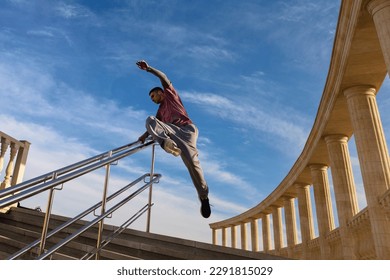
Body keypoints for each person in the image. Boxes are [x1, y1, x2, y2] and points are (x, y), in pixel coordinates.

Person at [136, 60, 211, 218]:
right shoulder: (160, 112)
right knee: (150, 119)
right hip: (171, 133)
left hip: (187, 130)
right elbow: (153, 125)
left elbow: (163, 76)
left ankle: (204, 197)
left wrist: (148, 69)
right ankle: (166, 143)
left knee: (193, 165)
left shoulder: (170, 94)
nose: (153, 99)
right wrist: (143, 137)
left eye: (153, 95)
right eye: (151, 98)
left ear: (161, 93)